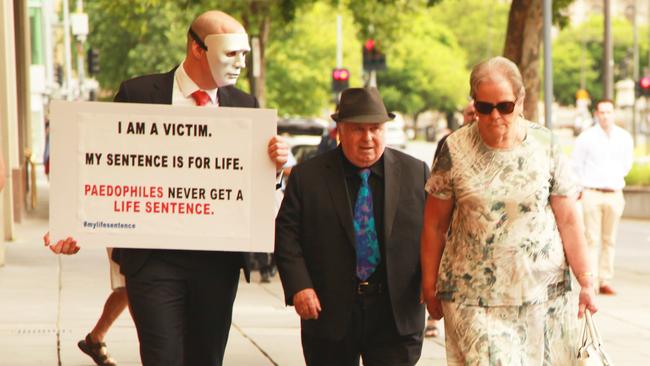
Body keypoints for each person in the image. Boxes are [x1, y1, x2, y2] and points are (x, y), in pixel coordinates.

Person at [48, 10, 288, 366]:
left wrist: (276, 167)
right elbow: (101, 164)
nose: (239, 63)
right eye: (230, 53)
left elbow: (255, 190)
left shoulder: (245, 106)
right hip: (153, 259)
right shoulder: (139, 94)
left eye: (244, 55)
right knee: (162, 357)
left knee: (206, 358)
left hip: (216, 263)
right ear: (196, 48)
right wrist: (71, 223)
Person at [421, 56, 597, 365]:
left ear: (521, 100)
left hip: (543, 294)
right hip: (472, 296)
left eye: (504, 106)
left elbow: (569, 220)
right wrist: (429, 283)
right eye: (484, 107)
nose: (494, 116)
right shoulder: (454, 149)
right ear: (473, 104)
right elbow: (434, 225)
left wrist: (586, 280)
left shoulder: (547, 145)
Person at [275, 87, 428, 365]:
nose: (367, 138)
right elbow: (287, 235)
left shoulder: (416, 173)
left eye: (375, 129)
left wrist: (430, 278)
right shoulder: (308, 178)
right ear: (340, 131)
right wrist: (300, 286)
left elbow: (437, 232)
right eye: (358, 129)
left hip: (395, 314)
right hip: (328, 313)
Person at [424, 100, 478, 339]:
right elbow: (436, 187)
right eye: (470, 114)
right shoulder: (450, 144)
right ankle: (434, 319)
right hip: (450, 222)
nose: (475, 118)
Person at [571, 99, 634, 295]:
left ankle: (605, 279)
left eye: (609, 112)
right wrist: (580, 188)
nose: (605, 116)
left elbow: (627, 164)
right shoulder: (586, 138)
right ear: (596, 114)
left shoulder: (624, 138)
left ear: (614, 113)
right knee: (591, 239)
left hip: (614, 193)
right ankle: (591, 280)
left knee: (610, 239)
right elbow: (576, 166)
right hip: (592, 193)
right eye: (602, 112)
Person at [44, 234, 126, 366]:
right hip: (126, 224)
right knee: (130, 283)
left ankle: (95, 339)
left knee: (130, 286)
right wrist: (65, 227)